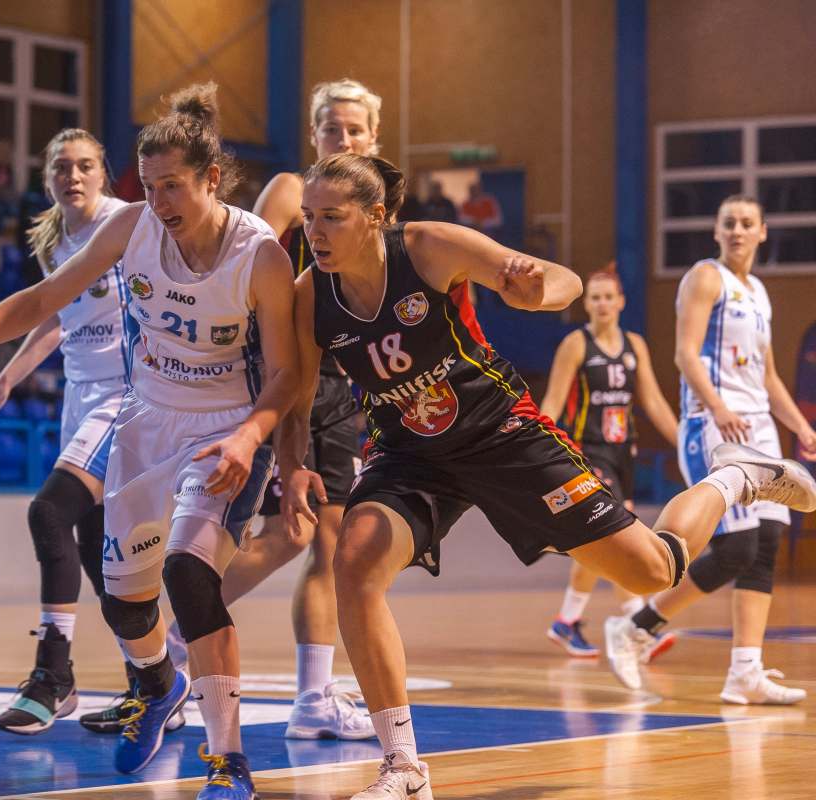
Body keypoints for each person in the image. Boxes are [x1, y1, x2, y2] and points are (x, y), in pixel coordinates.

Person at [277, 155, 816, 800]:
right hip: (408, 452)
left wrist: (536, 289)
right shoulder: (310, 294)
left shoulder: (426, 247)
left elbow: (562, 281)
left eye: (331, 217)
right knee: (355, 562)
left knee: (653, 571)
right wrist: (291, 464)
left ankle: (735, 478)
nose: (315, 232)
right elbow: (297, 398)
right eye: (309, 218)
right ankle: (404, 767)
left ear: (375, 217)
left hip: (498, 432)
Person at [0, 83, 299, 800]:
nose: (159, 201)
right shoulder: (131, 227)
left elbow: (286, 373)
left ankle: (227, 761)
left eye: (173, 186)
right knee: (125, 603)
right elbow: (44, 301)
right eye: (149, 186)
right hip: (144, 420)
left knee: (189, 575)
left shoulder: (261, 255)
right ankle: (158, 685)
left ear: (212, 179)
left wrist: (253, 437)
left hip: (223, 430)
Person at [171, 78, 378, 741]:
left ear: (374, 137)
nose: (342, 138)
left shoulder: (378, 209)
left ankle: (313, 698)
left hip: (344, 384)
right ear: (313, 134)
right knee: (291, 532)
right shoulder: (291, 190)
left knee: (331, 543)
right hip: (286, 371)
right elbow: (244, 257)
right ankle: (179, 639)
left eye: (354, 129)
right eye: (331, 128)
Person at [0, 128, 146, 736]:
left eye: (85, 165)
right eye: (62, 167)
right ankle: (152, 683)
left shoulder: (127, 223)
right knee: (98, 550)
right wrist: (5, 381)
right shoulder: (51, 240)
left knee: (48, 512)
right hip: (80, 394)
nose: (73, 176)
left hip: (126, 393)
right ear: (47, 178)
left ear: (104, 173)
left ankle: (54, 674)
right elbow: (53, 317)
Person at [604, 195, 816, 702]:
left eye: (747, 223)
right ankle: (636, 627)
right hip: (713, 425)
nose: (738, 230)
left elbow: (767, 376)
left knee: (765, 545)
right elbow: (684, 353)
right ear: (716, 232)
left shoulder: (759, 293)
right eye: (729, 223)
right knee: (736, 547)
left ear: (763, 231)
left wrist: (799, 426)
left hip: (759, 427)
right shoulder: (705, 277)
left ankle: (745, 672)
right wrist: (718, 406)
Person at [538, 268, 679, 658]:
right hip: (589, 451)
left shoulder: (635, 345)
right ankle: (638, 624)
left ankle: (568, 620)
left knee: (601, 541)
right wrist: (538, 452)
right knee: (616, 535)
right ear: (586, 303)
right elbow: (552, 402)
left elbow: (653, 401)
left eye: (608, 297)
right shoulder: (575, 344)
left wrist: (685, 443)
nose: (602, 303)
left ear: (621, 302)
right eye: (595, 297)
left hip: (623, 454)